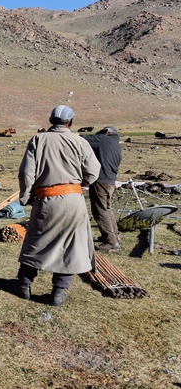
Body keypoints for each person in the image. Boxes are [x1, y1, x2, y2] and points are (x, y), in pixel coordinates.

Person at [14, 105, 101, 307]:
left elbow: (26, 173)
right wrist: (79, 183)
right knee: (71, 246)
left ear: (51, 120)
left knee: (35, 241)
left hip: (46, 199)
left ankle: (24, 285)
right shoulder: (80, 142)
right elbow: (93, 172)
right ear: (70, 122)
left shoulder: (38, 139)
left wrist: (26, 197)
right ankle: (59, 292)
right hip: (73, 201)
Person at [82, 126, 123, 252]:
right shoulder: (115, 145)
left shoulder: (103, 139)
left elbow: (83, 139)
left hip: (101, 180)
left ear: (106, 132)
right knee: (107, 209)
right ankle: (114, 236)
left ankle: (110, 242)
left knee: (99, 211)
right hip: (110, 181)